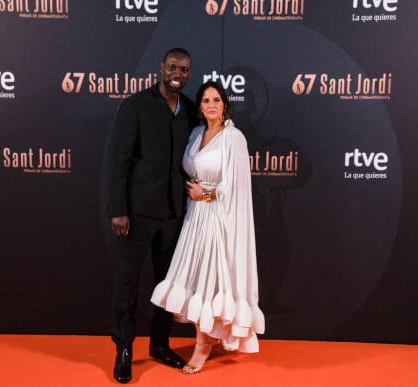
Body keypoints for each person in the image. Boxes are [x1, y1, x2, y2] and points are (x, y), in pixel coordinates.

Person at [151, 81, 265, 374]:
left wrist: (207, 194)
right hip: (195, 216)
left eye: (216, 99)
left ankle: (202, 346)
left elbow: (238, 186)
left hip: (218, 217)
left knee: (208, 280)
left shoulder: (234, 138)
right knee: (200, 279)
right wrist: (196, 196)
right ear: (199, 106)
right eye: (205, 100)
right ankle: (208, 338)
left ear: (225, 104)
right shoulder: (196, 134)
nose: (211, 105)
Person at [106, 47, 197, 383]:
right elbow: (118, 162)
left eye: (184, 69)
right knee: (127, 283)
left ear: (189, 73)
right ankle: (124, 349)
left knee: (167, 285)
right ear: (161, 68)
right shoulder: (135, 106)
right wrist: (119, 210)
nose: (177, 73)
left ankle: (160, 343)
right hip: (137, 214)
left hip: (175, 215)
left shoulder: (190, 109)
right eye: (172, 66)